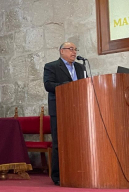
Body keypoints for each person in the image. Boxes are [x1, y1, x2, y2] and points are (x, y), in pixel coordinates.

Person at [43, 42, 85, 186]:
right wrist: (68, 86)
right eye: (70, 49)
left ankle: (78, 171)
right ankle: (58, 175)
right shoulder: (51, 66)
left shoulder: (81, 67)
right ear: (62, 51)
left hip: (78, 109)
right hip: (60, 109)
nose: (74, 52)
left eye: (75, 49)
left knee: (78, 141)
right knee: (59, 143)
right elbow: (48, 85)